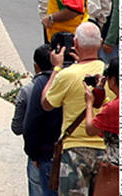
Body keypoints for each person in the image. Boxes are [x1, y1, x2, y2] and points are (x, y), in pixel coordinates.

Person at [41, 22, 111, 196]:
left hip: (74, 151)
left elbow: (46, 103)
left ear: (76, 43)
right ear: (101, 43)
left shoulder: (68, 75)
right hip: (108, 151)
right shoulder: (111, 74)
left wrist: (56, 68)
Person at [12, 44, 62, 196]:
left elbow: (19, 127)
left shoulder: (29, 90)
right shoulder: (68, 82)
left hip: (41, 155)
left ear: (36, 66)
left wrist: (33, 154)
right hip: (64, 152)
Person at [83, 58, 119, 195]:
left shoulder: (114, 107)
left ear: (113, 80)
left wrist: (89, 103)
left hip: (113, 171)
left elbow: (90, 129)